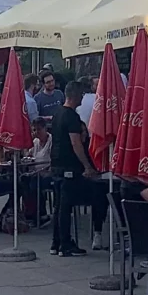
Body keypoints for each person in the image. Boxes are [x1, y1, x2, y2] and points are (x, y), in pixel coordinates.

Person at [49, 81, 95, 257]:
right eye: (81, 94)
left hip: (56, 165)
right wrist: (87, 166)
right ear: (75, 95)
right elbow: (76, 143)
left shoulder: (57, 113)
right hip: (68, 166)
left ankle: (56, 243)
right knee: (65, 207)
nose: (83, 98)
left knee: (58, 206)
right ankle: (65, 244)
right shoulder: (71, 117)